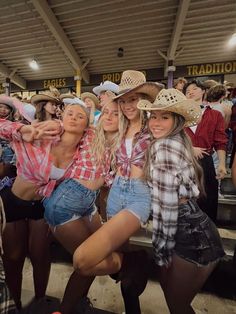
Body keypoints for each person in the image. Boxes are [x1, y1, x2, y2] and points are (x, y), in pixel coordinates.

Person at [73, 70, 163, 314]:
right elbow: (93, 131)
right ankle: (132, 307)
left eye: (133, 99)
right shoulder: (118, 128)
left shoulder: (154, 128)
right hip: (115, 193)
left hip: (139, 195)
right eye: (123, 100)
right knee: (123, 267)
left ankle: (138, 261)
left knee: (83, 260)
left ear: (145, 100)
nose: (127, 105)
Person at [137, 88, 225, 314]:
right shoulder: (176, 140)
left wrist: (161, 249)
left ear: (176, 121)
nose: (156, 122)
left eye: (164, 117)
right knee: (174, 297)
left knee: (177, 304)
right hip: (191, 226)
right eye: (153, 116)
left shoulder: (165, 146)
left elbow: (168, 206)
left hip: (191, 234)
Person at [42, 100, 122, 314]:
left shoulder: (121, 141)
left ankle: (77, 302)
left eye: (115, 113)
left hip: (89, 202)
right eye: (105, 112)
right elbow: (64, 124)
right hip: (66, 200)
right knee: (89, 261)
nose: (108, 117)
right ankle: (64, 310)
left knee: (91, 263)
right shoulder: (91, 133)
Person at [0, 116, 63, 311]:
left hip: (41, 205)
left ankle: (40, 301)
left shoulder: (61, 141)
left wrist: (58, 125)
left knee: (40, 255)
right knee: (13, 257)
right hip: (13, 201)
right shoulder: (23, 136)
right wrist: (22, 129)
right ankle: (14, 305)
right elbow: (3, 126)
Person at [183, 80, 227, 223]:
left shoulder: (215, 115)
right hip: (183, 161)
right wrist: (190, 148)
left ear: (203, 91)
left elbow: (220, 141)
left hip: (206, 160)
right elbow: (172, 137)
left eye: (195, 88)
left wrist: (221, 164)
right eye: (187, 90)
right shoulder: (180, 116)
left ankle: (208, 236)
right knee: (185, 201)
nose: (190, 91)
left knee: (207, 200)